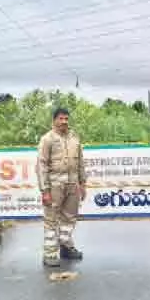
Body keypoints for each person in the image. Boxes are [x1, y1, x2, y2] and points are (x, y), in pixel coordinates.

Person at [37, 107, 87, 267]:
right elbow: (41, 165)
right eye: (61, 119)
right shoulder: (47, 139)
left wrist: (82, 183)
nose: (64, 122)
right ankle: (50, 254)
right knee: (51, 220)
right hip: (54, 185)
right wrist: (45, 190)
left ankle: (66, 248)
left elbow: (80, 162)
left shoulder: (74, 138)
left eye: (66, 119)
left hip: (72, 184)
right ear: (54, 120)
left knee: (69, 218)